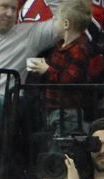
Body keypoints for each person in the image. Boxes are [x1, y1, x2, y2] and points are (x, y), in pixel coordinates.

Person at [25, 0, 93, 134]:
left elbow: (69, 79)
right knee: (51, 144)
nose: (54, 23)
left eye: (56, 19)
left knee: (61, 148)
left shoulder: (79, 49)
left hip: (68, 112)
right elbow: (53, 71)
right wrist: (38, 68)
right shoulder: (60, 46)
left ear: (66, 24)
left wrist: (47, 70)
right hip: (52, 109)